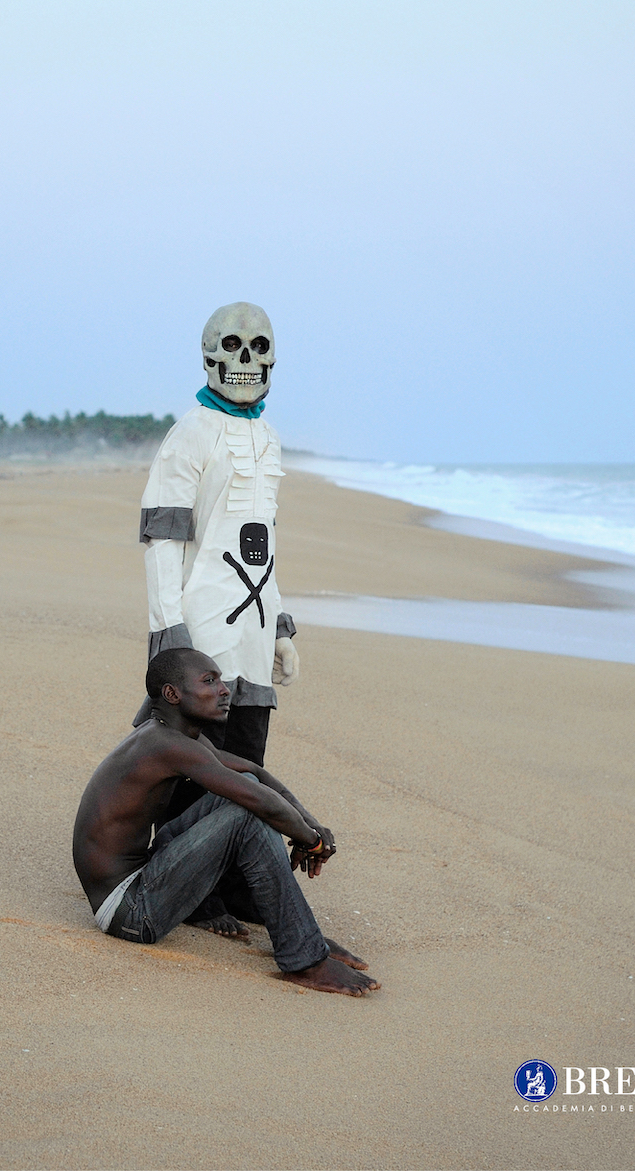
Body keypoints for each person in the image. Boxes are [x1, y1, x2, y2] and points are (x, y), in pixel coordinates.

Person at [73, 648, 381, 997]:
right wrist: (312, 841)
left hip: (146, 875)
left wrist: (312, 824)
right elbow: (257, 802)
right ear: (172, 694)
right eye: (209, 681)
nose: (224, 690)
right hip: (129, 913)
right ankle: (305, 959)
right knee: (246, 813)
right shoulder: (166, 745)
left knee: (245, 791)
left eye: (220, 680)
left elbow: (254, 773)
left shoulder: (173, 735)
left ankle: (298, 932)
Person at [136, 301, 300, 932]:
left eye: (258, 348)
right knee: (194, 770)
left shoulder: (269, 438)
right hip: (202, 632)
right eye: (232, 347)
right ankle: (193, 895)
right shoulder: (190, 434)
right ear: (208, 357)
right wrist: (168, 632)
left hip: (253, 633)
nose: (245, 362)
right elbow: (163, 537)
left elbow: (264, 541)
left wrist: (282, 627)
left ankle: (233, 886)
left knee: (247, 760)